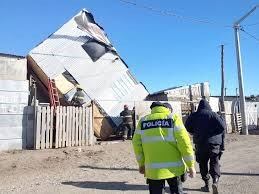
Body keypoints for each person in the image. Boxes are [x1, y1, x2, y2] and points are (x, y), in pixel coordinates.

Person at [132, 101, 196, 194]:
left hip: (153, 170)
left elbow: (136, 143)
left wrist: (141, 164)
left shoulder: (143, 121)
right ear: (167, 109)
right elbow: (184, 143)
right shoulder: (173, 118)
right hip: (175, 169)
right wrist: (191, 165)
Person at [185, 99, 226, 194]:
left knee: (202, 164)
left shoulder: (194, 115)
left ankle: (207, 185)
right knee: (214, 162)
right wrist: (215, 133)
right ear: (209, 106)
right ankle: (215, 182)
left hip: (200, 144)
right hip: (214, 144)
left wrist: (194, 131)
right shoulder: (214, 114)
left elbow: (187, 126)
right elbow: (223, 127)